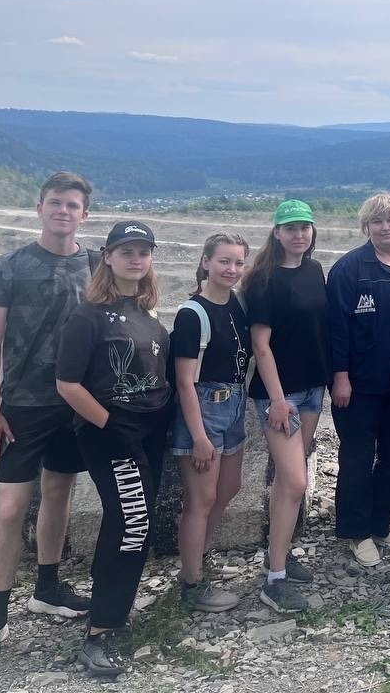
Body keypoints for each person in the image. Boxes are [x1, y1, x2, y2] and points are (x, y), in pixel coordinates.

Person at [0, 172, 96, 658]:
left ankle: (48, 588)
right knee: (11, 507)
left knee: (59, 493)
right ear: (40, 208)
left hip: (73, 405)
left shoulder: (95, 265)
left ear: (84, 214)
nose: (63, 211)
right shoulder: (11, 267)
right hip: (22, 406)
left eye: (72, 205)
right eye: (55, 202)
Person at [54, 221, 173, 678]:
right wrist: (110, 423)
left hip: (150, 433)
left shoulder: (146, 313)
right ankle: (99, 632)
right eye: (127, 251)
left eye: (144, 251)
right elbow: (67, 383)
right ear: (108, 256)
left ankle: (110, 608)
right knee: (133, 522)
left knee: (131, 523)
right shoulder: (87, 316)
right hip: (110, 434)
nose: (136, 259)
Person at [326, 192, 390, 568]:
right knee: (357, 457)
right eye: (377, 221)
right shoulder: (348, 269)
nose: (385, 227)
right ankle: (355, 531)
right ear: (366, 227)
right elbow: (336, 327)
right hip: (359, 383)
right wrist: (340, 376)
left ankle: (378, 522)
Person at [245, 200, 331, 611]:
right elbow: (261, 346)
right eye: (291, 228)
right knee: (296, 482)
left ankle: (276, 555)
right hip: (281, 397)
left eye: (305, 227)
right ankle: (274, 581)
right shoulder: (263, 279)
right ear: (276, 233)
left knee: (286, 480)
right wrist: (278, 400)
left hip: (313, 390)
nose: (299, 234)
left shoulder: (314, 271)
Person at [170, 233, 252, 614]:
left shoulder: (237, 303)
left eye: (238, 262)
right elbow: (184, 382)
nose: (231, 269)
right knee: (199, 500)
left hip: (234, 405)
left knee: (229, 487)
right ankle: (191, 584)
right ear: (205, 262)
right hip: (204, 409)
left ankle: (198, 558)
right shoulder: (192, 315)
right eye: (224, 261)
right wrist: (199, 437)